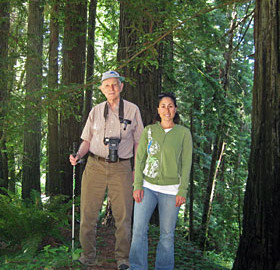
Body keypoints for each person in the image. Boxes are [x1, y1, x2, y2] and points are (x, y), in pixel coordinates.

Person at [69, 71, 144, 270]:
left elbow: (139, 143)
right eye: (107, 85)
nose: (111, 88)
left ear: (121, 87)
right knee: (88, 214)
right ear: (102, 89)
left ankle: (122, 259)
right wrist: (78, 155)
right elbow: (87, 140)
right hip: (94, 165)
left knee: (124, 216)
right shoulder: (95, 111)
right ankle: (88, 256)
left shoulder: (132, 110)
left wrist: (137, 169)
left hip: (122, 167)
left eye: (115, 84)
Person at [128, 92, 193, 270]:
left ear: (175, 110)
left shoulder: (183, 133)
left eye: (170, 106)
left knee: (167, 235)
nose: (167, 109)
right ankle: (137, 267)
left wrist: (182, 190)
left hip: (172, 191)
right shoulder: (149, 131)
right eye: (163, 106)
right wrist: (138, 185)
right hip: (147, 187)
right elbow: (140, 158)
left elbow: (187, 163)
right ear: (158, 110)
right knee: (139, 231)